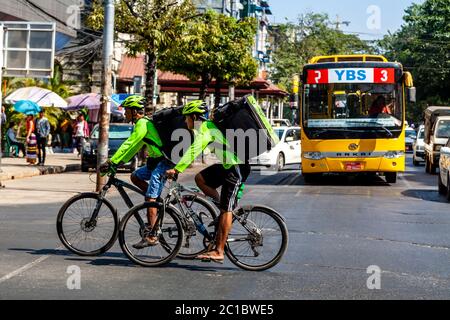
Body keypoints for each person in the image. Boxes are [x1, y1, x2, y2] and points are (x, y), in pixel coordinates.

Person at [166, 100, 251, 264]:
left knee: (227, 209)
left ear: (194, 116)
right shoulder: (208, 127)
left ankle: (219, 250)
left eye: (186, 118)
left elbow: (194, 150)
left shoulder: (205, 129)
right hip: (227, 165)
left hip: (235, 168)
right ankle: (222, 209)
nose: (185, 122)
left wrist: (177, 169)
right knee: (200, 179)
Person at [99, 95, 169, 248]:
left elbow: (129, 144)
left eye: (127, 110)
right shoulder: (142, 124)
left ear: (134, 111)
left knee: (149, 200)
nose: (124, 113)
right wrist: (119, 163)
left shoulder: (142, 124)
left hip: (163, 163)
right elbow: (134, 148)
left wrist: (112, 161)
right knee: (135, 176)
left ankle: (152, 235)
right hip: (155, 162)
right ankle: (156, 200)